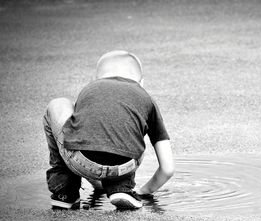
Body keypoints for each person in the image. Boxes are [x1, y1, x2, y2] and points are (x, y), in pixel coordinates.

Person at [43, 50, 174, 210]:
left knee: (57, 104)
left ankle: (65, 191)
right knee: (127, 132)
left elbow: (80, 137)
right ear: (141, 82)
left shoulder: (91, 89)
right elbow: (167, 169)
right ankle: (122, 189)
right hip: (125, 166)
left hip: (81, 160)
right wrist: (143, 191)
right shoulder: (146, 98)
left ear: (98, 78)